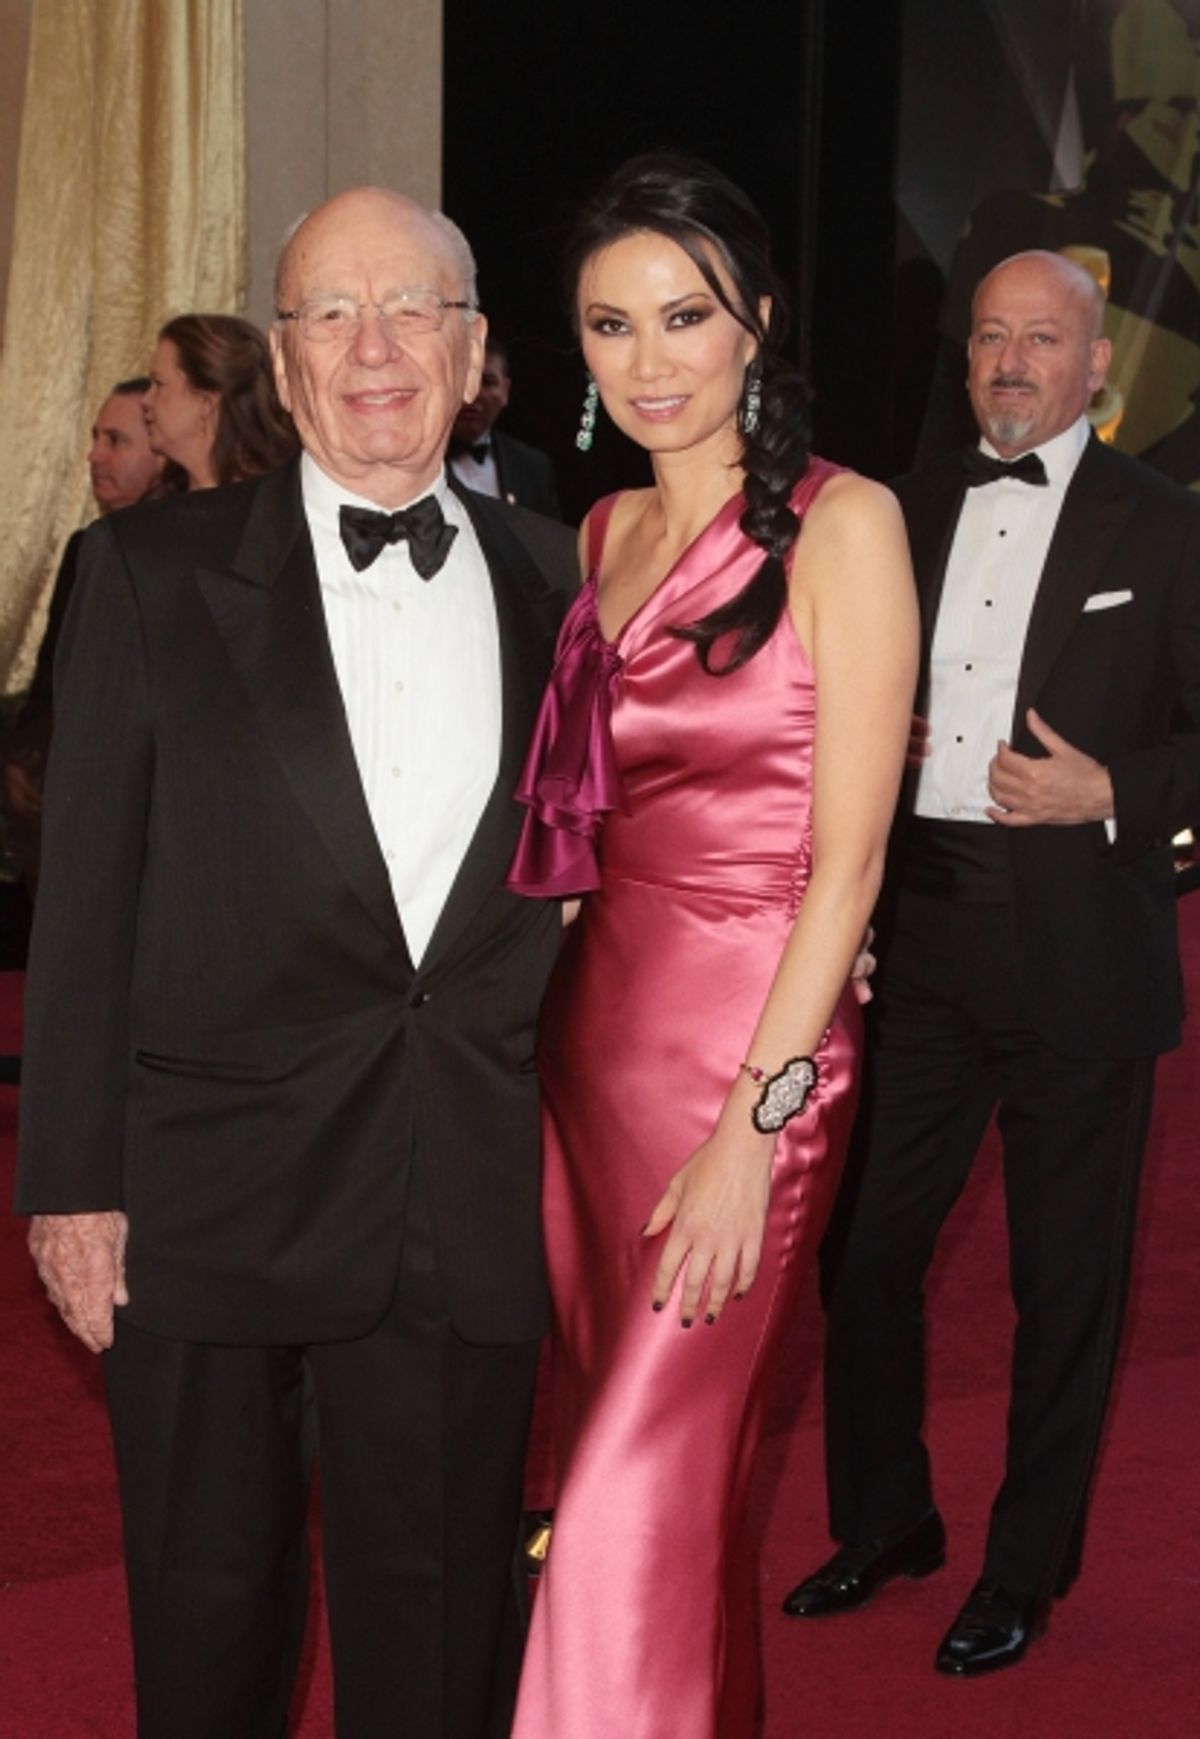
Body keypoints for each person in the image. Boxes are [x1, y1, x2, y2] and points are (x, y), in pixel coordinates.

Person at [16, 186, 576, 1738]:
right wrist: (69, 1180)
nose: (373, 346)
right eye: (332, 311)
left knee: (447, 1620)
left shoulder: (563, 578)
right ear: (284, 352)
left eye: (412, 311)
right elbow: (84, 901)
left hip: (462, 1185)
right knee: (208, 1626)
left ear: (473, 353)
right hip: (206, 1192)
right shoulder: (147, 574)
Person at [506, 153, 917, 1738]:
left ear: (761, 319)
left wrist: (761, 1121)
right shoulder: (598, 526)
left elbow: (852, 859)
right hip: (589, 1052)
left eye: (685, 314)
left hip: (751, 1057)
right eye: (611, 326)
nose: (651, 358)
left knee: (628, 1487)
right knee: (659, 1500)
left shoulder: (845, 521)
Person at [784, 250, 1200, 1677]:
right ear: (964, 362)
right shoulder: (896, 515)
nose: (1013, 360)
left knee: (1063, 1279)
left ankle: (1026, 1568)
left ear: (1102, 373)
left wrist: (1115, 793)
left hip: (1081, 935)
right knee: (868, 1247)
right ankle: (887, 1516)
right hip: (926, 929)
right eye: (991, 339)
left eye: (1044, 340)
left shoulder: (1168, 524)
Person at [2, 378, 170, 893]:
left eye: (115, 441)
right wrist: (14, 763)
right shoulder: (86, 548)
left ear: (161, 454)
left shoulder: (176, 553)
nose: (95, 455)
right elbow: (54, 676)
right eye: (96, 438)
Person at [143, 311, 299, 490]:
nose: (146, 400)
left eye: (159, 384)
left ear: (206, 402)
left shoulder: (271, 504)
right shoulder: (158, 503)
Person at [449, 334, 562, 516]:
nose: (474, 393)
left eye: (488, 382)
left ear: (505, 391)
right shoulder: (409, 462)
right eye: (464, 380)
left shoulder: (533, 468)